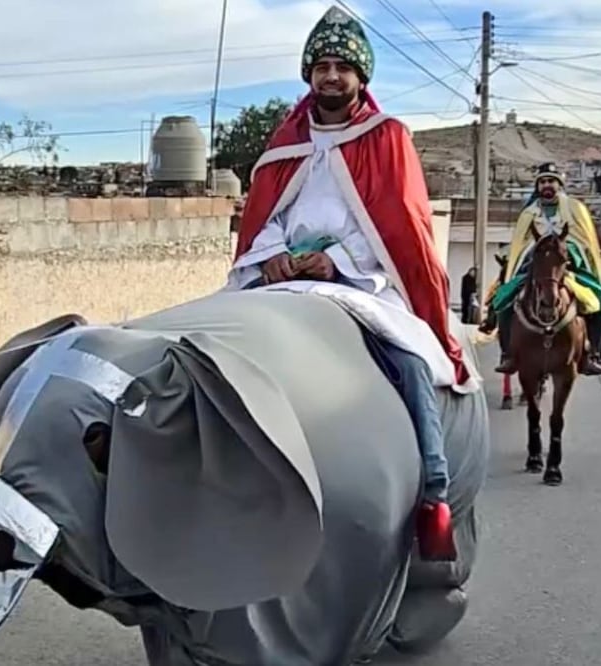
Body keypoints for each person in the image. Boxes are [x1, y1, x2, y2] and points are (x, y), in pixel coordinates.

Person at [226, 6, 464, 561]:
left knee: (405, 357)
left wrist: (339, 262)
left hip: (360, 280)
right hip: (283, 281)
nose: (331, 76)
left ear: (362, 77)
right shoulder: (287, 141)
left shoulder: (387, 138)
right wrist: (273, 256)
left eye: (342, 67)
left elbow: (395, 224)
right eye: (321, 66)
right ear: (309, 74)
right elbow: (269, 217)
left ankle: (434, 491)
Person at [489, 163, 601, 376]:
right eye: (543, 181)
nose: (547, 185)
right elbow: (522, 241)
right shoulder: (529, 213)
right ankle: (508, 354)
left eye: (551, 181)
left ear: (560, 185)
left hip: (569, 262)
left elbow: (584, 239)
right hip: (534, 263)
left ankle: (591, 355)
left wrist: (566, 249)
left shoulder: (575, 208)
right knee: (502, 299)